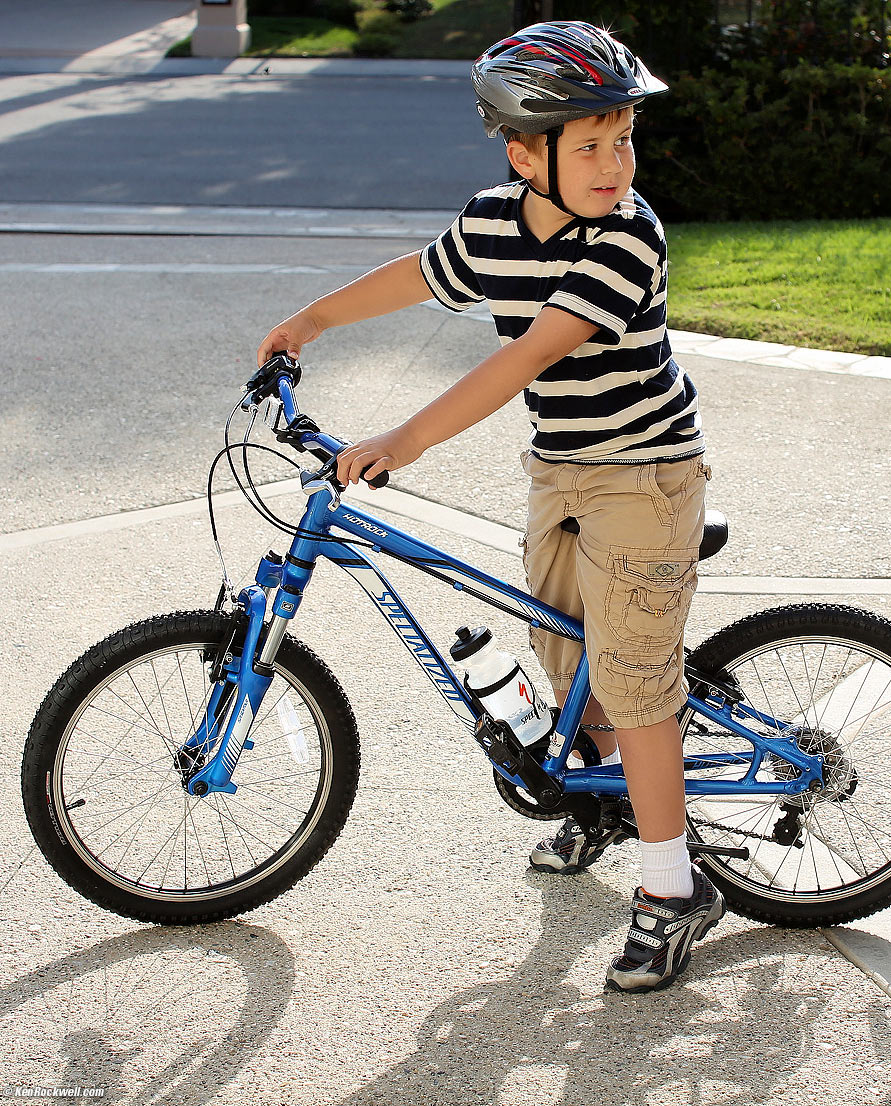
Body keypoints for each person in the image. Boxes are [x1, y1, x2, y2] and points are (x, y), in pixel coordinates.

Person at [257, 20, 725, 993]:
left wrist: (401, 438)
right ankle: (604, 803)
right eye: (588, 144)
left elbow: (526, 354)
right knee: (569, 661)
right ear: (525, 153)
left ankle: (675, 890)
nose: (614, 163)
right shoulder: (493, 222)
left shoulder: (627, 237)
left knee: (633, 683)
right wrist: (310, 319)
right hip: (561, 469)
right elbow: (421, 274)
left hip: (644, 474)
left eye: (623, 137)